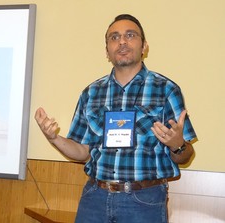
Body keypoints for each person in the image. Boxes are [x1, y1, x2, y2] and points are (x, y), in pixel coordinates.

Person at [35, 14, 197, 223]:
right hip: (95, 197)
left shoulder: (166, 90)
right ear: (107, 51)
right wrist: (53, 138)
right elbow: (82, 151)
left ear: (144, 46)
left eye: (130, 35)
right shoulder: (91, 93)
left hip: (144, 201)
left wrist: (177, 146)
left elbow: (186, 155)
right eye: (114, 37)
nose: (122, 41)